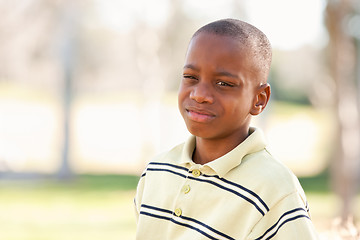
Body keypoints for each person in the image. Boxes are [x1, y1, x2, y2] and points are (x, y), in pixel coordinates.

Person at [134, 18, 319, 239]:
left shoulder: (275, 189)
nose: (199, 94)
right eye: (190, 77)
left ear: (259, 99)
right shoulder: (157, 171)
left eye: (224, 83)